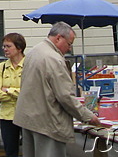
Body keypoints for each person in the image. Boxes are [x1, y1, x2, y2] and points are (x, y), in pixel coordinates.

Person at [13, 22, 103, 157]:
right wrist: (87, 116)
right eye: (69, 44)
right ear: (59, 38)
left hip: (29, 119)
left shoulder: (34, 51)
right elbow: (65, 96)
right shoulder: (54, 59)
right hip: (47, 123)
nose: (69, 49)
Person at [0, 32, 26, 157]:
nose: (4, 49)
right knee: (10, 152)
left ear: (19, 48)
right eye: (4, 46)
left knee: (29, 150)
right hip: (7, 116)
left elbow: (29, 92)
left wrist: (8, 90)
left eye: (8, 46)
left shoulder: (29, 65)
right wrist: (17, 91)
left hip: (26, 114)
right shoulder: (1, 67)